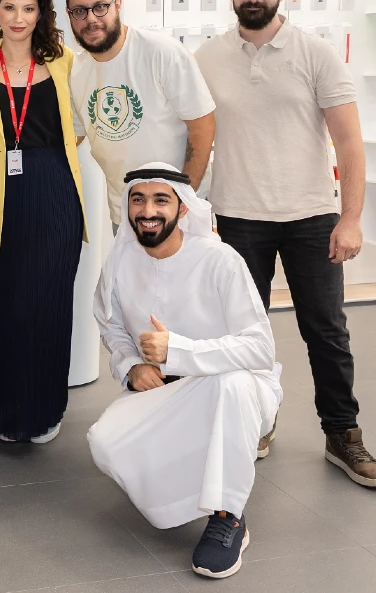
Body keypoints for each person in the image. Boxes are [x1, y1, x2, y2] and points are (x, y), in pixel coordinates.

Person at [194, 0, 376, 487]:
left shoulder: (316, 53)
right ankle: (256, 420)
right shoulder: (207, 58)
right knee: (240, 332)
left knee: (326, 332)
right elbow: (196, 137)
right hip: (237, 219)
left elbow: (349, 144)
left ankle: (342, 434)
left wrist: (350, 219)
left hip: (311, 218)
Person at [87, 163, 283, 579]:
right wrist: (130, 366)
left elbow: (260, 347)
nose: (148, 210)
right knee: (104, 443)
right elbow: (111, 325)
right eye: (138, 199)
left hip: (238, 385)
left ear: (182, 208)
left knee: (229, 384)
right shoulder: (121, 258)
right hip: (163, 387)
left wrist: (178, 350)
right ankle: (198, 479)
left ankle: (228, 514)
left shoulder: (219, 260)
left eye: (161, 200)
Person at [0, 0, 86, 443]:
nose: (19, 18)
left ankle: (45, 410)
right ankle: (2, 411)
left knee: (48, 303)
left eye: (29, 8)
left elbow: (83, 121)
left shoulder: (66, 62)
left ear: (42, 14)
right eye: (10, 7)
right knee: (3, 306)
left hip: (53, 189)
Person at [65, 0, 216, 231]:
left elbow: (203, 125)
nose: (91, 19)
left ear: (118, 4)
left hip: (180, 212)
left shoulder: (161, 52)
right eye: (80, 11)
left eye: (100, 7)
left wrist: (183, 197)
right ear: (69, 15)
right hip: (125, 214)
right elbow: (73, 137)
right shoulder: (76, 70)